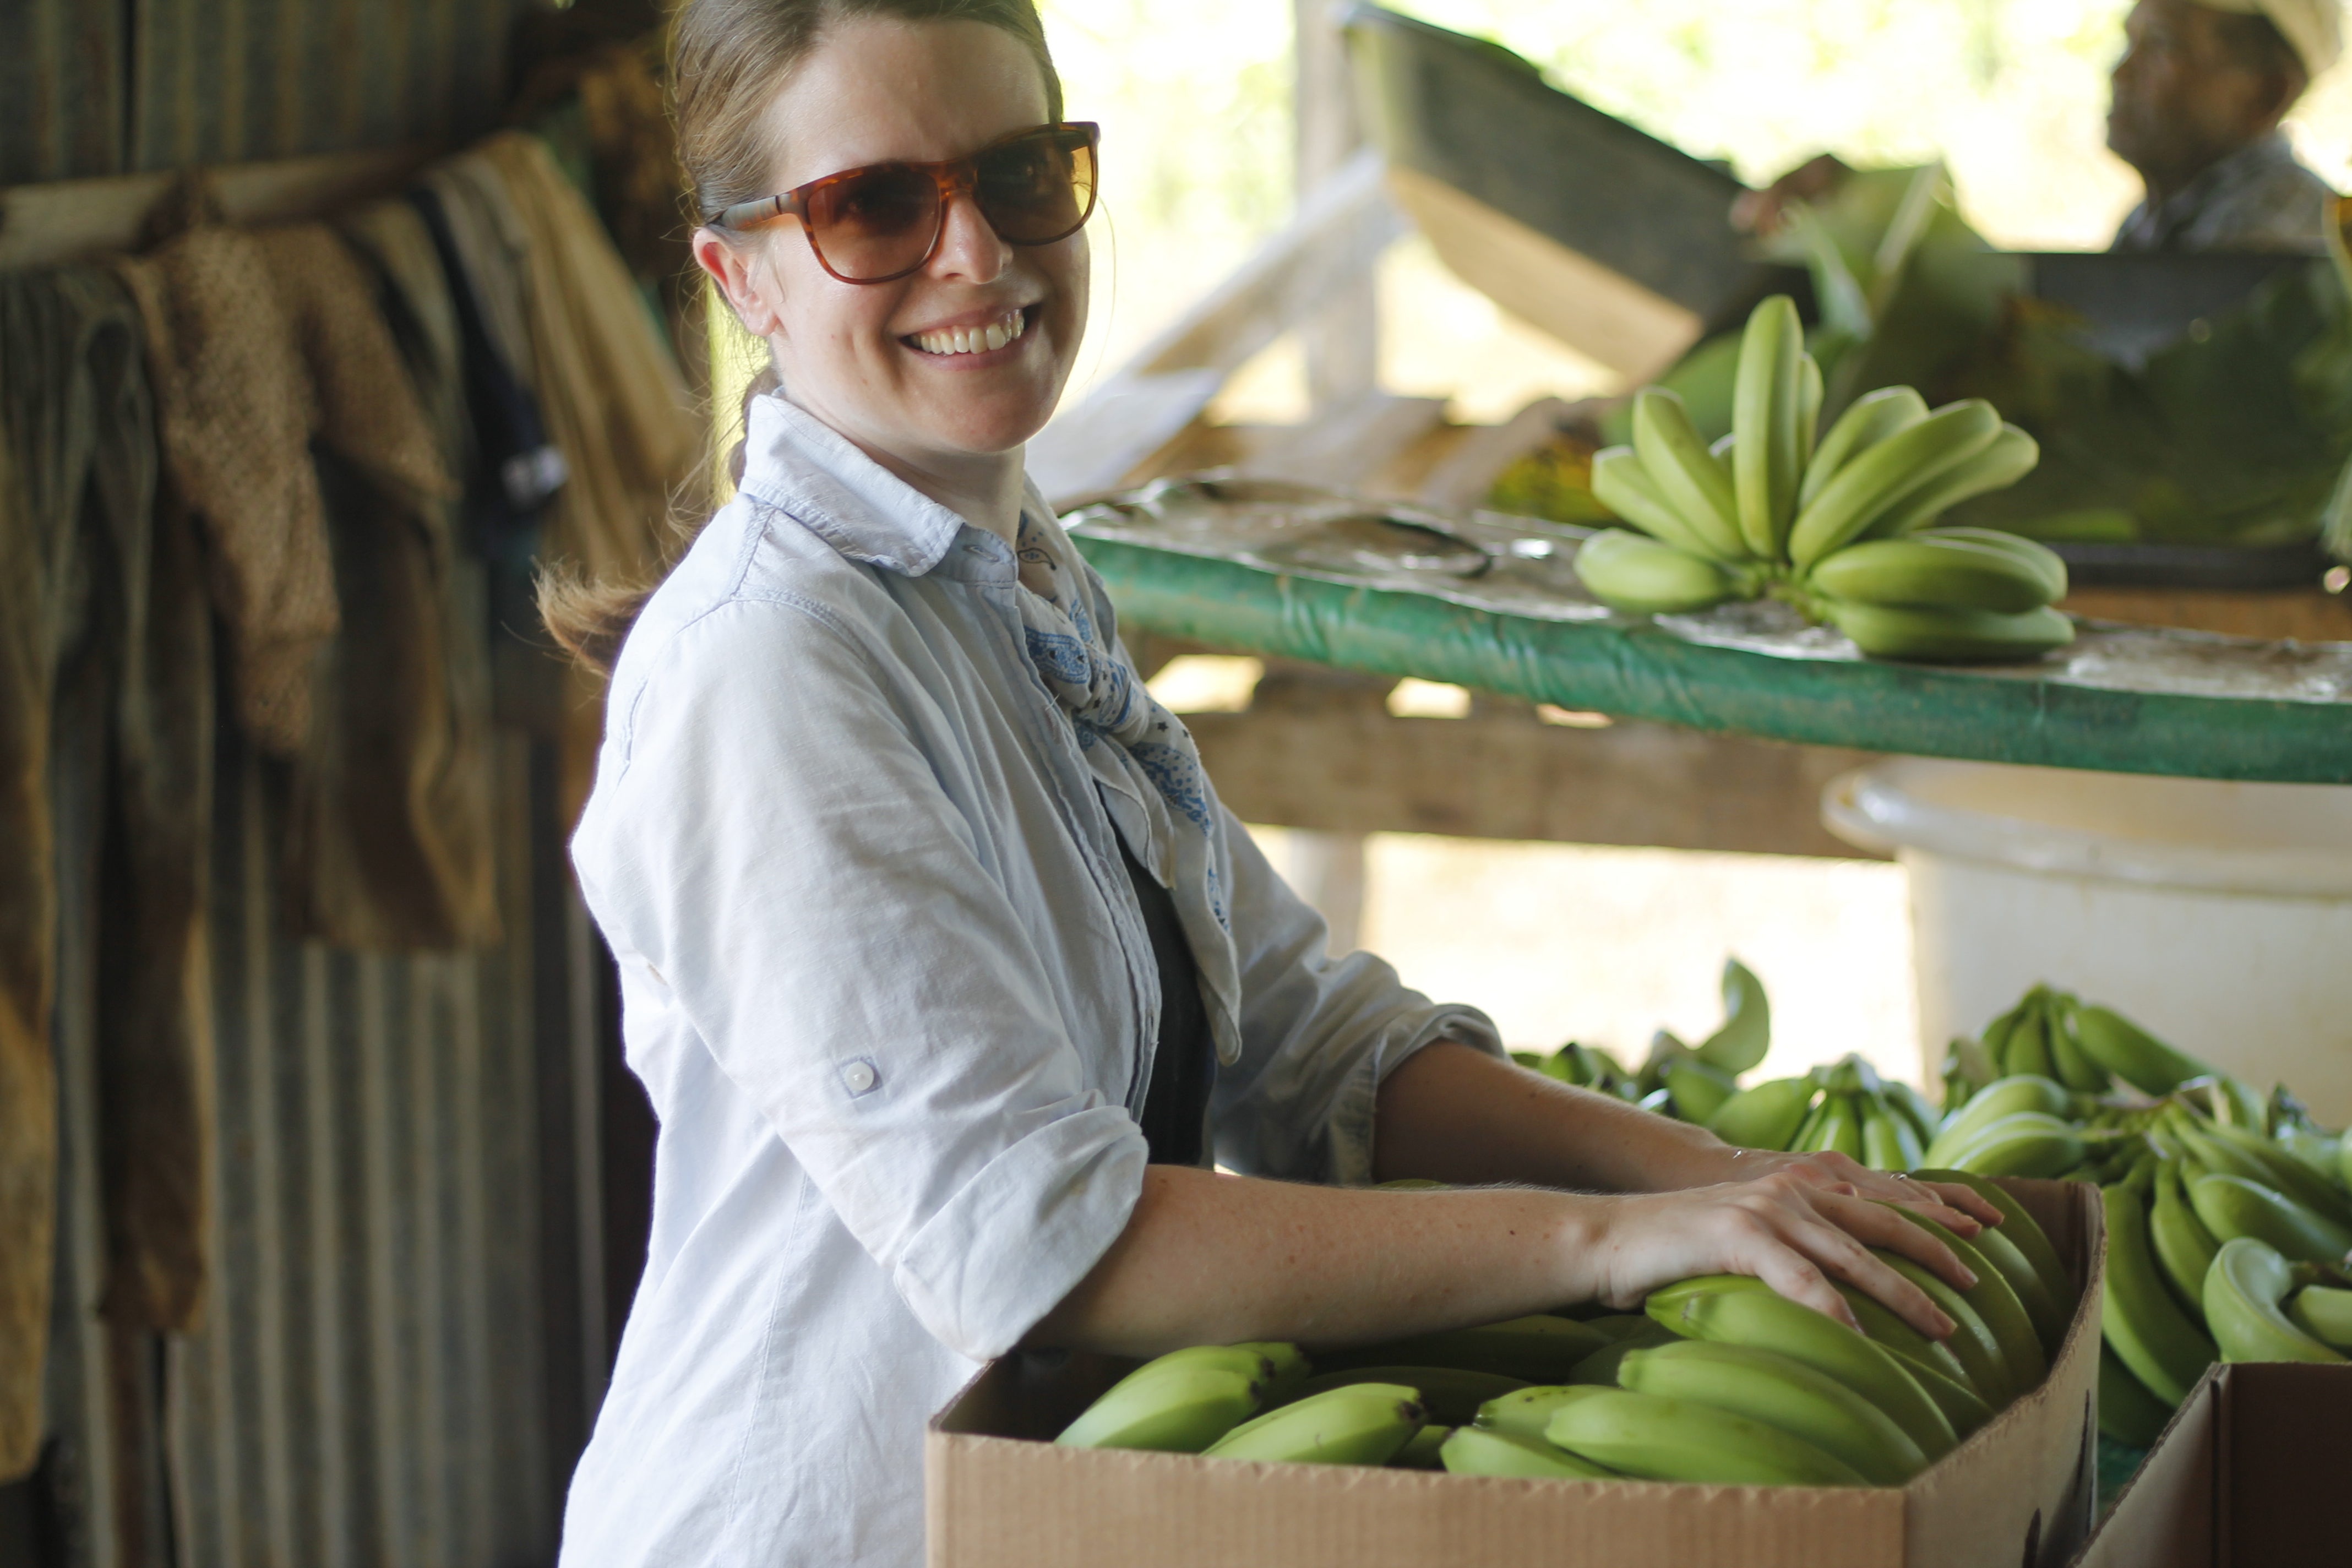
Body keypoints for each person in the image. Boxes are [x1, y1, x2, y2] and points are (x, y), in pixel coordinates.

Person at [541, 3, 2000, 1564]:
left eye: (1020, 174)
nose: (977, 253)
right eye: (876, 205)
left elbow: (1317, 1043)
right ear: (742, 276)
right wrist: (1608, 1240)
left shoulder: (1015, 584)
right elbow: (1051, 1245)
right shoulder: (768, 665)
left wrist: (1726, 1178)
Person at [1736, 0, 2342, 254]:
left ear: (2265, 92)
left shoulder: (2284, 228)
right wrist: (1866, 215)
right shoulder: (2157, 219)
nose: (2122, 72)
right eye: (2129, 43)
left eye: (2161, 46)